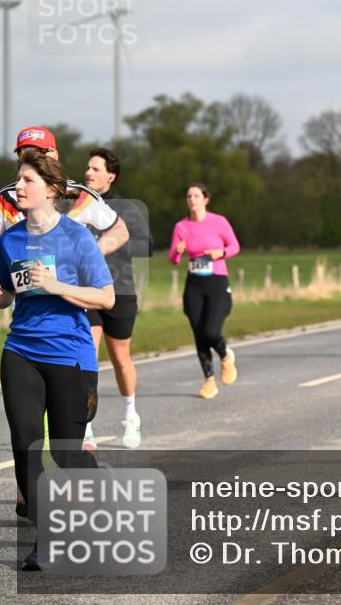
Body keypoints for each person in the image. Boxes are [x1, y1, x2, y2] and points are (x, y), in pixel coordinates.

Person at [0, 151, 115, 570]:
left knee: (66, 454)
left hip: (70, 354)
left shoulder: (75, 237)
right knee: (27, 447)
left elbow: (106, 296)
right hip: (21, 350)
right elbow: (8, 292)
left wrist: (57, 285)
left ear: (50, 189)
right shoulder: (9, 239)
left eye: (27, 180)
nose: (19, 187)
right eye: (17, 180)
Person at [82, 148, 153, 448]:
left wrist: (109, 243)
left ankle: (130, 415)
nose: (88, 173)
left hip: (120, 291)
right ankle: (84, 426)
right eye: (87, 168)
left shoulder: (126, 208)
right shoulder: (76, 205)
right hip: (87, 292)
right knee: (86, 358)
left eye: (95, 169)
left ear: (110, 176)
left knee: (121, 359)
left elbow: (146, 245)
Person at [0, 126, 129, 256]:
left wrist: (90, 256)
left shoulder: (80, 196)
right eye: (23, 153)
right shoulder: (5, 198)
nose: (30, 159)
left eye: (38, 152)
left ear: (54, 155)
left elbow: (119, 231)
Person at [169, 183, 241, 399]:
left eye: (196, 196)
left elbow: (235, 246)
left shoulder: (219, 222)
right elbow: (173, 259)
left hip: (217, 282)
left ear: (205, 199)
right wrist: (178, 252)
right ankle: (209, 380)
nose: (192, 199)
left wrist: (220, 253)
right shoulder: (181, 226)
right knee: (199, 334)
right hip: (194, 284)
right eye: (189, 196)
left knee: (211, 332)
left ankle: (225, 355)